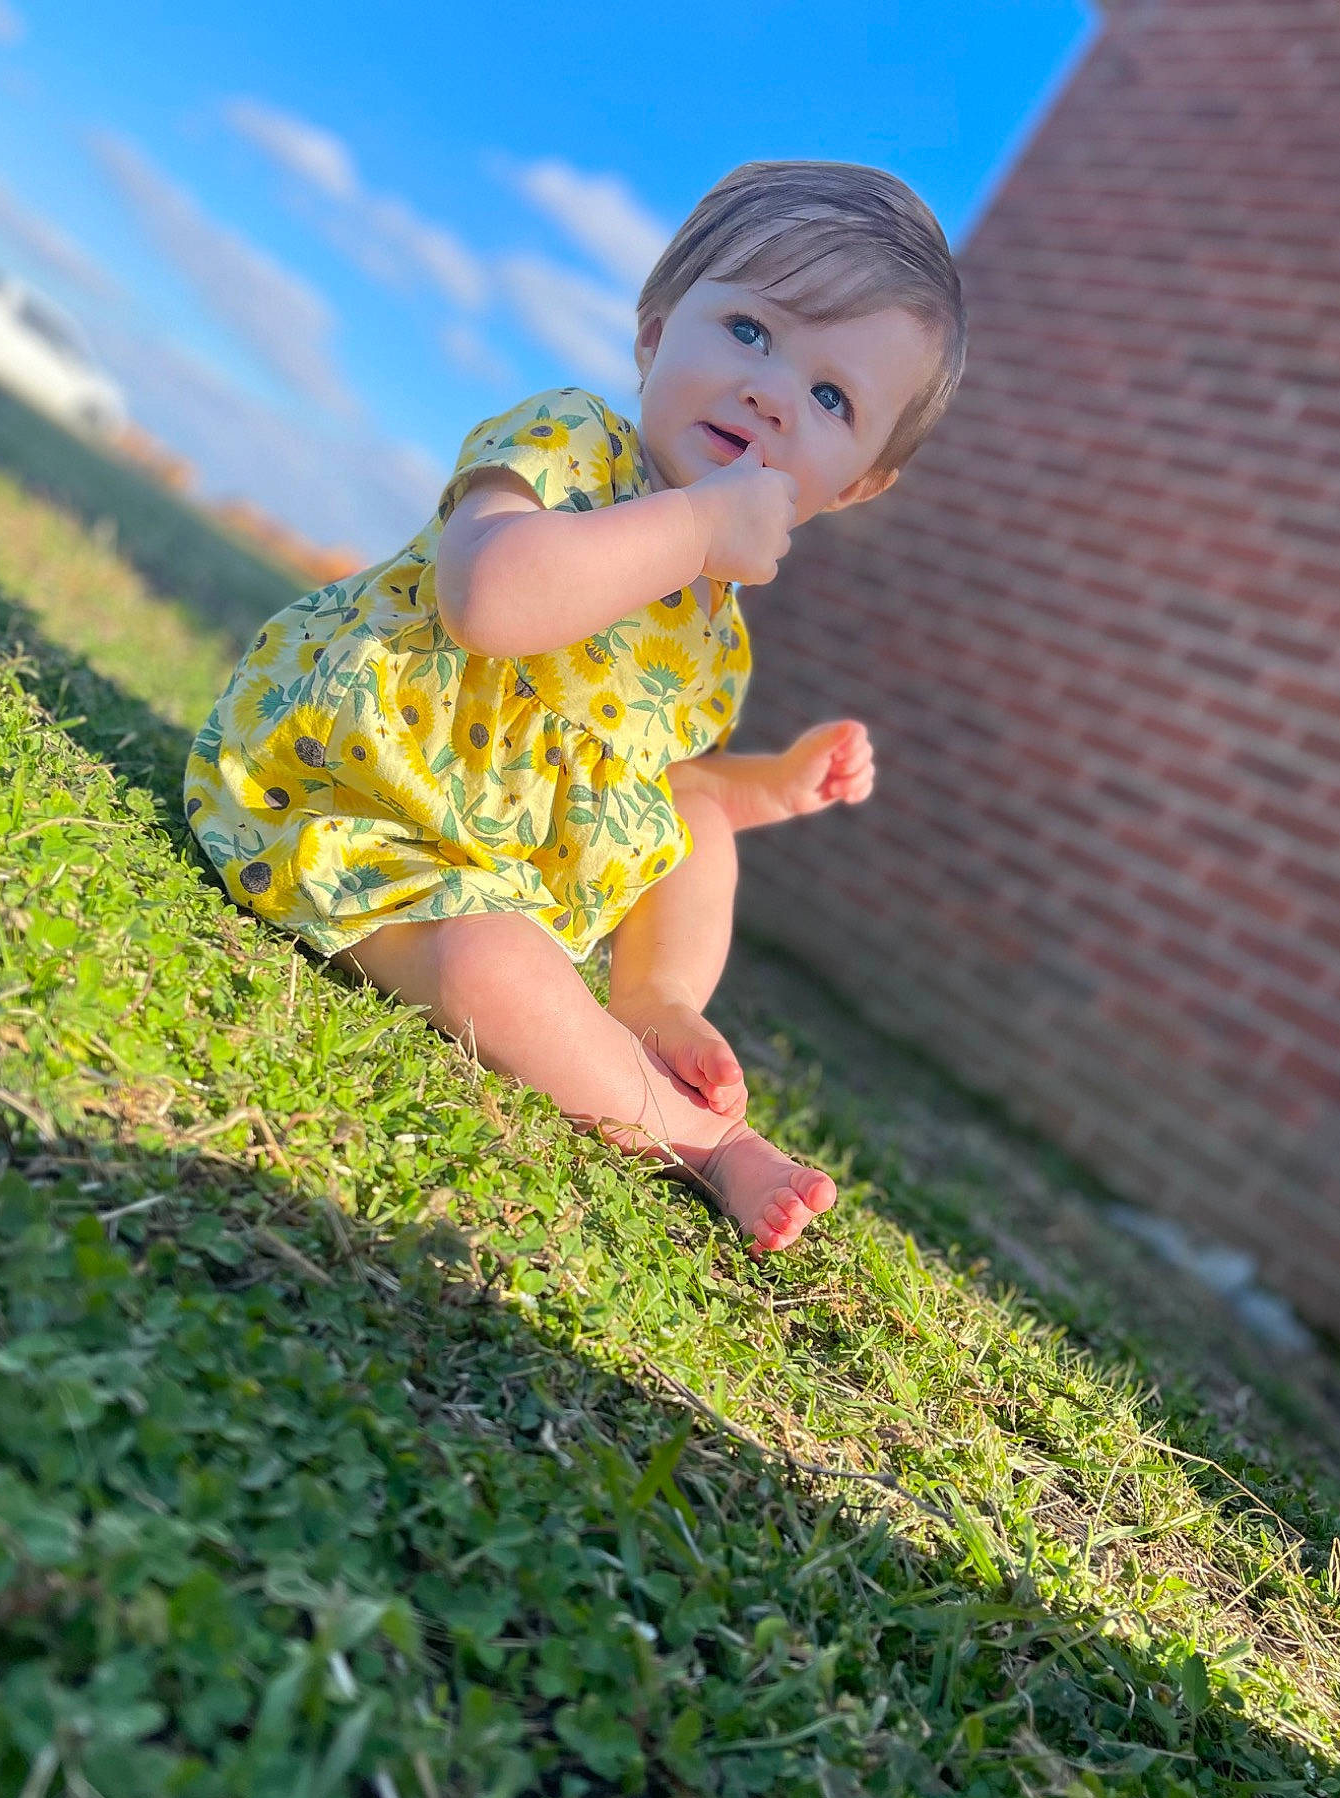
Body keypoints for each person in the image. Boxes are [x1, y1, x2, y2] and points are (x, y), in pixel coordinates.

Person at [184, 160, 966, 1253]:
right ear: (655, 331)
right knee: (491, 968)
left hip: (504, 866)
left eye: (832, 399)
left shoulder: (717, 631)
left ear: (855, 484)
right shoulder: (569, 444)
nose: (774, 390)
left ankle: (653, 1005)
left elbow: (656, 790)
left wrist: (771, 785)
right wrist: (693, 527)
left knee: (696, 824)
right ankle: (695, 1141)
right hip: (364, 811)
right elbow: (490, 597)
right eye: (750, 331)